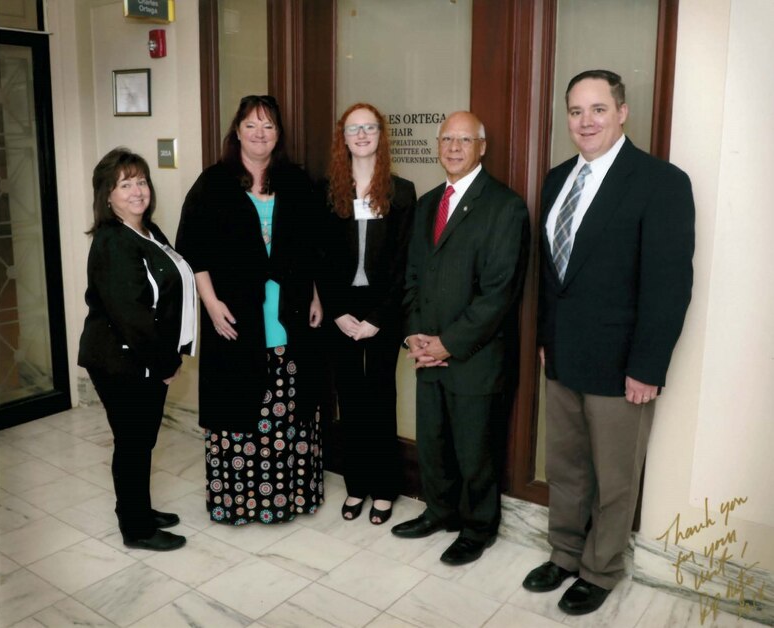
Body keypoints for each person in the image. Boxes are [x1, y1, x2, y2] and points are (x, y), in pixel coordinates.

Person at [523, 70, 695, 615]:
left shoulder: (660, 181)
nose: (586, 121)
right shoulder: (555, 179)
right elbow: (553, 277)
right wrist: (546, 340)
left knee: (615, 480)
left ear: (622, 113)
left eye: (598, 109)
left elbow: (669, 285)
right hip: (564, 357)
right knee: (567, 468)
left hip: (623, 366)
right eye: (576, 111)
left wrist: (647, 367)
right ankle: (565, 553)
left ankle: (600, 570)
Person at [176, 95, 324, 525]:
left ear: (279, 135)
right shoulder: (213, 183)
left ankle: (291, 498)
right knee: (240, 406)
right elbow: (192, 253)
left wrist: (315, 295)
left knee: (289, 406)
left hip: (291, 311)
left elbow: (312, 249)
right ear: (236, 131)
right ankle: (239, 502)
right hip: (235, 314)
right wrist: (211, 303)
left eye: (269, 127)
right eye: (251, 125)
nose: (260, 134)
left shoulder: (295, 181)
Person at [391, 111, 530, 565]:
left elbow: (499, 294)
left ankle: (477, 528)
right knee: (433, 441)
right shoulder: (428, 201)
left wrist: (447, 343)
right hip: (426, 352)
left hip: (474, 356)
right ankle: (439, 511)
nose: (453, 147)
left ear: (481, 147)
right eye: (446, 138)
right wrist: (414, 336)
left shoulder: (504, 206)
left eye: (464, 139)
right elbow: (410, 274)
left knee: (475, 451)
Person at [78, 148, 196, 552]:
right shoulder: (113, 241)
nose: (136, 191)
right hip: (121, 360)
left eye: (141, 181)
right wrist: (165, 362)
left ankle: (138, 509)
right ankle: (136, 528)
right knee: (132, 442)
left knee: (141, 440)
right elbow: (132, 315)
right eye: (124, 184)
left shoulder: (149, 231)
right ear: (107, 196)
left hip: (143, 357)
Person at [322, 103, 416, 525]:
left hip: (383, 309)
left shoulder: (402, 191)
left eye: (370, 127)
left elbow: (402, 262)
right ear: (342, 137)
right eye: (353, 128)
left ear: (381, 134)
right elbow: (318, 255)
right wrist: (338, 311)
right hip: (341, 309)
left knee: (380, 396)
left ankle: (384, 487)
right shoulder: (326, 191)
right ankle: (356, 484)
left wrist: (379, 316)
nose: (362, 135)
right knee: (350, 398)